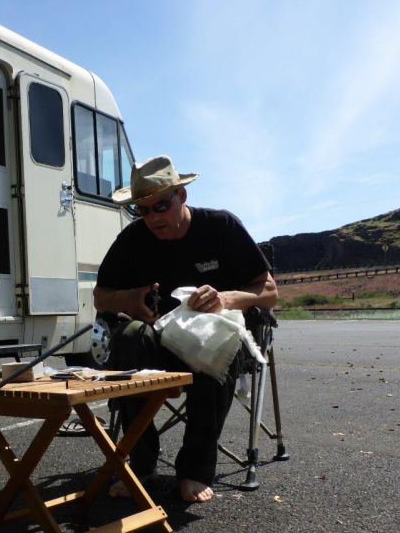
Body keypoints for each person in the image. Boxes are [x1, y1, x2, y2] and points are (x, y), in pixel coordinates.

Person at [93, 155, 278, 503]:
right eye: (141, 211)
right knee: (129, 337)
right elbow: (100, 297)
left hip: (215, 339)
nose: (152, 218)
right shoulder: (133, 239)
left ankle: (195, 469)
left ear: (182, 196)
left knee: (212, 349)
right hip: (159, 341)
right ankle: (141, 462)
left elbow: (269, 292)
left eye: (161, 206)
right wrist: (131, 299)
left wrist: (225, 298)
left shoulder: (221, 227)